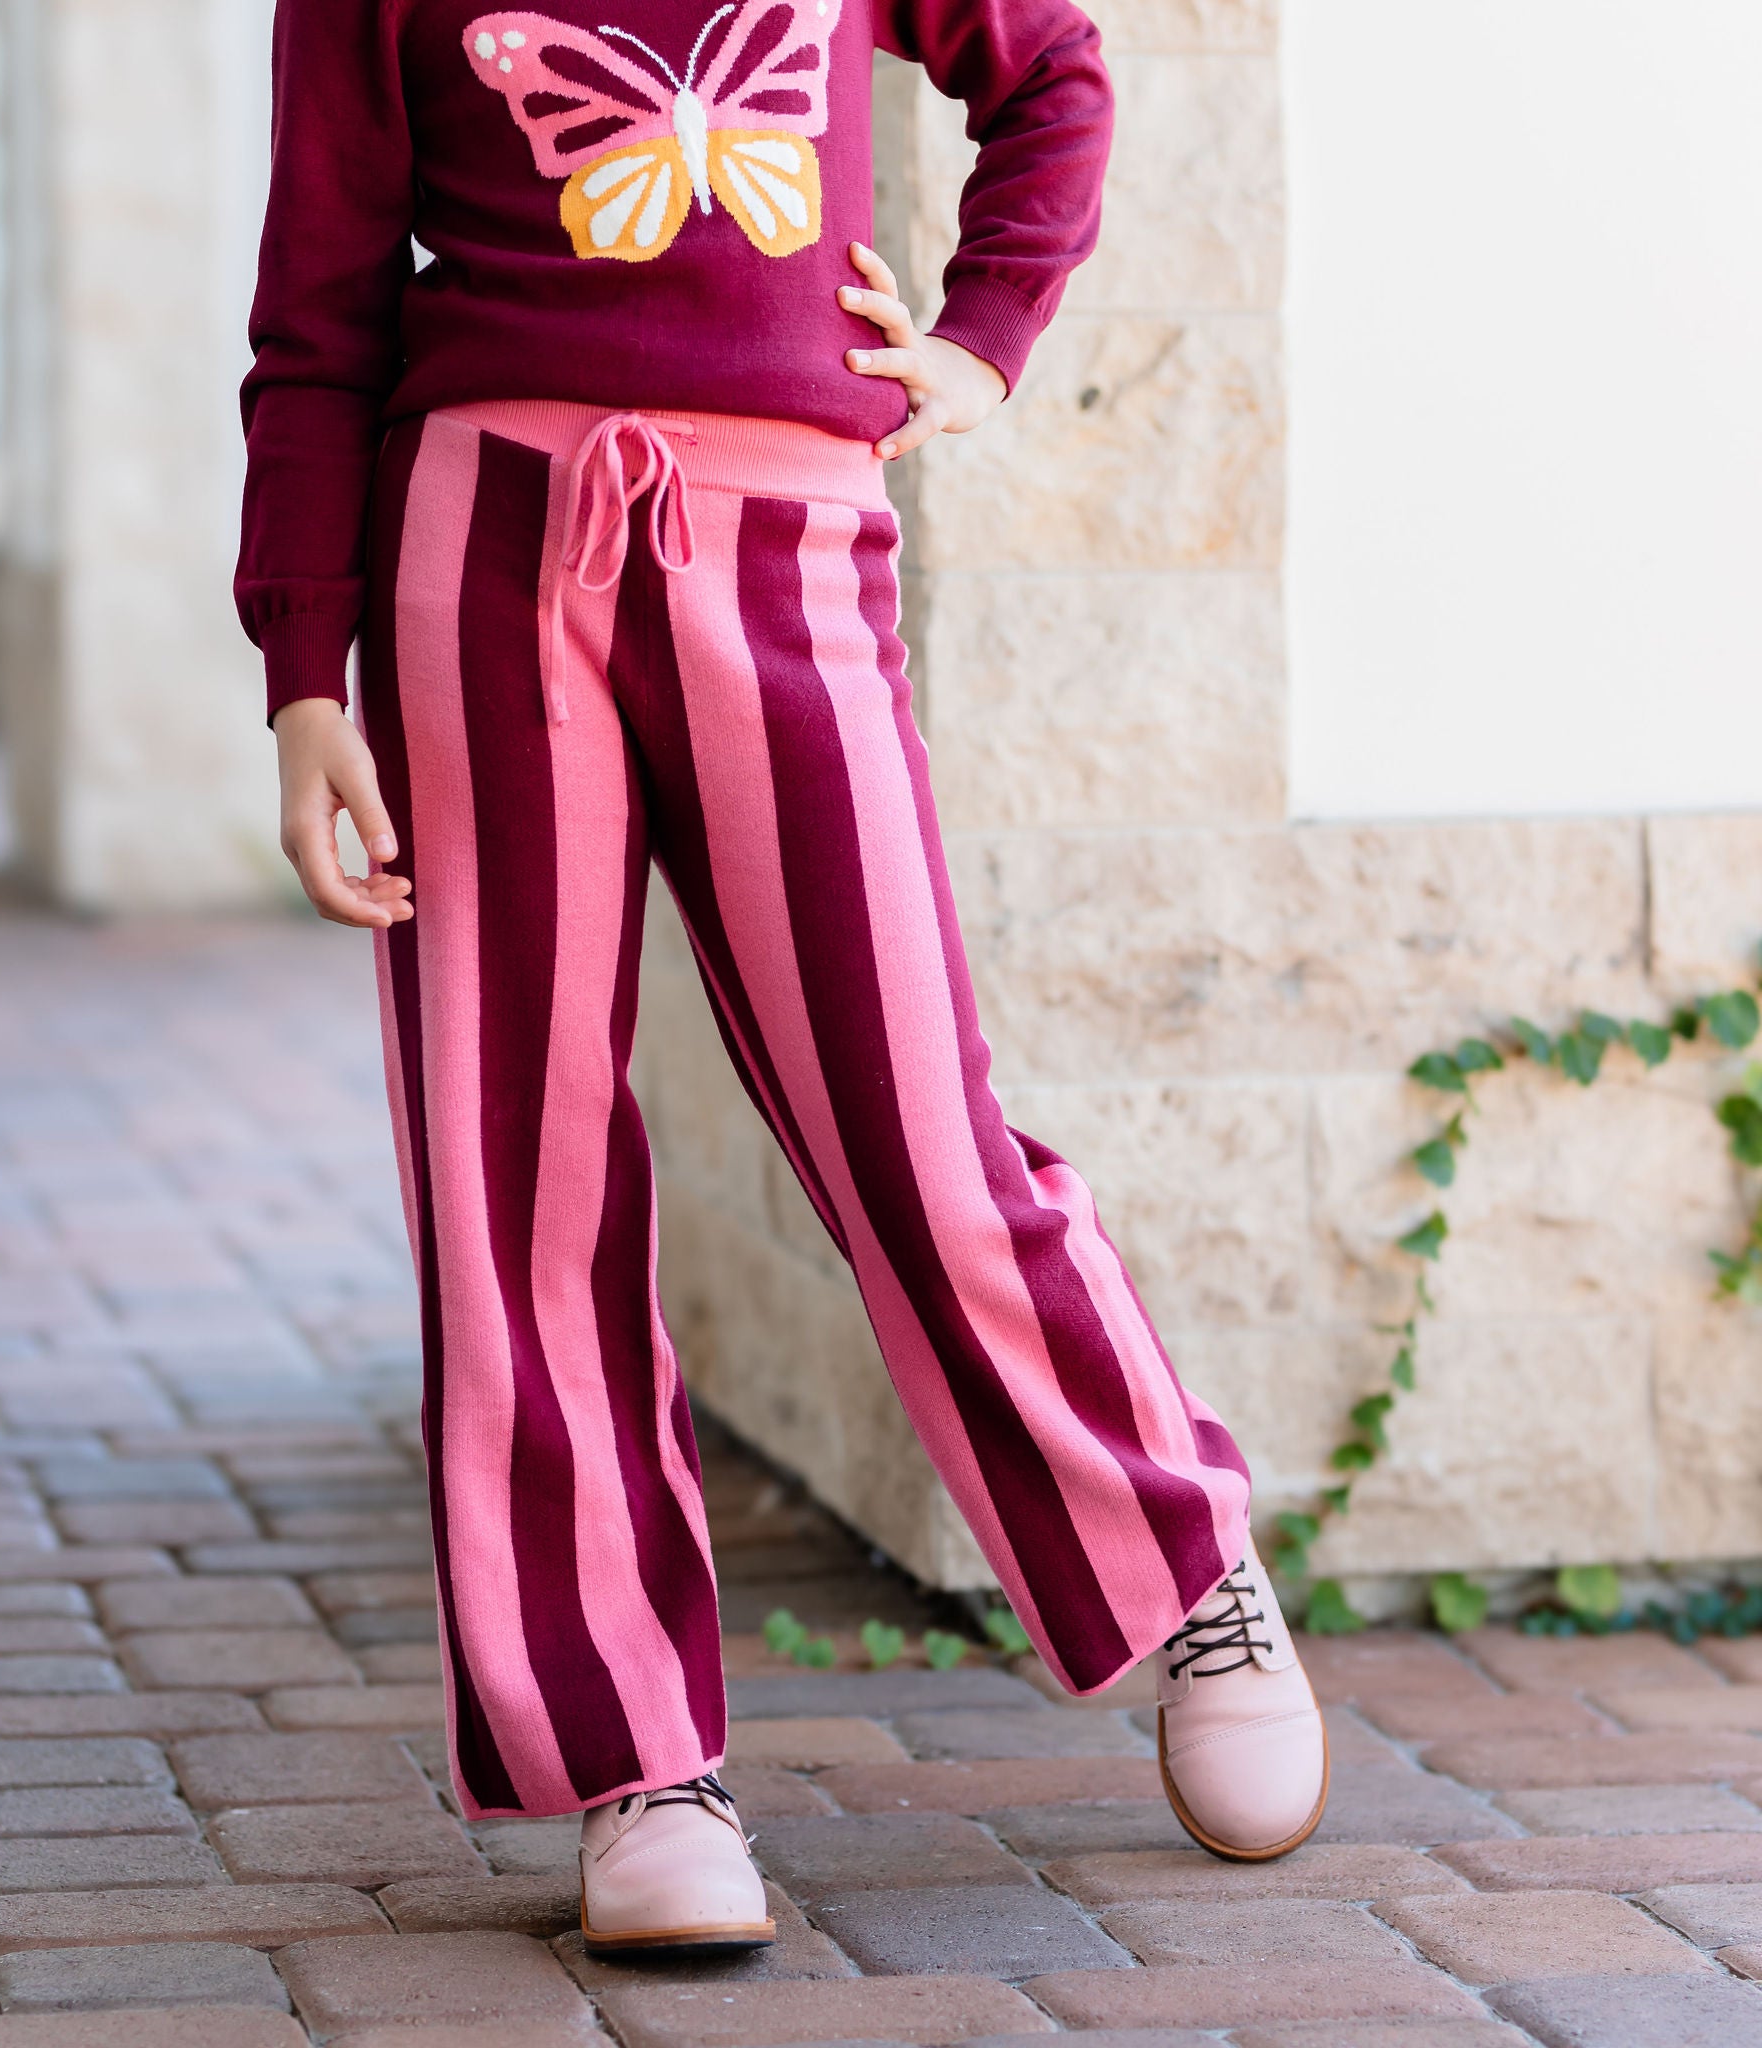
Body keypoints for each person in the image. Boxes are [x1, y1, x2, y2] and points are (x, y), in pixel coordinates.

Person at [236, 0, 1328, 1952]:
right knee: (522, 1181)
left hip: (786, 539)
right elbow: (316, 315)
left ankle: (1177, 1561)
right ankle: (633, 1760)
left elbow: (1048, 72)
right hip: (479, 551)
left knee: (910, 1126)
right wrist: (304, 671)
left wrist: (980, 347)